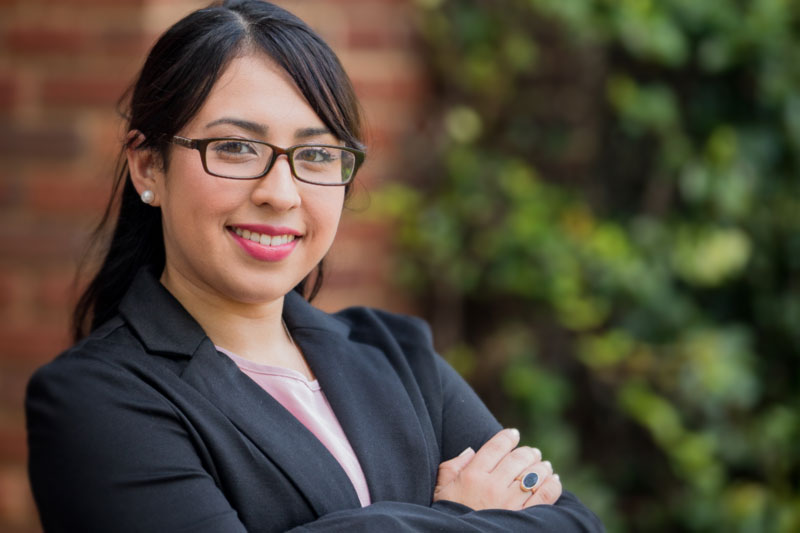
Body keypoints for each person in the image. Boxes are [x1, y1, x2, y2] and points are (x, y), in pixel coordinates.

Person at [25, 1, 603, 531]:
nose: (281, 192)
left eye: (318, 155)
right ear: (149, 167)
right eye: (236, 147)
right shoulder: (95, 400)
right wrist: (456, 515)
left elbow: (575, 524)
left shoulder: (399, 356)